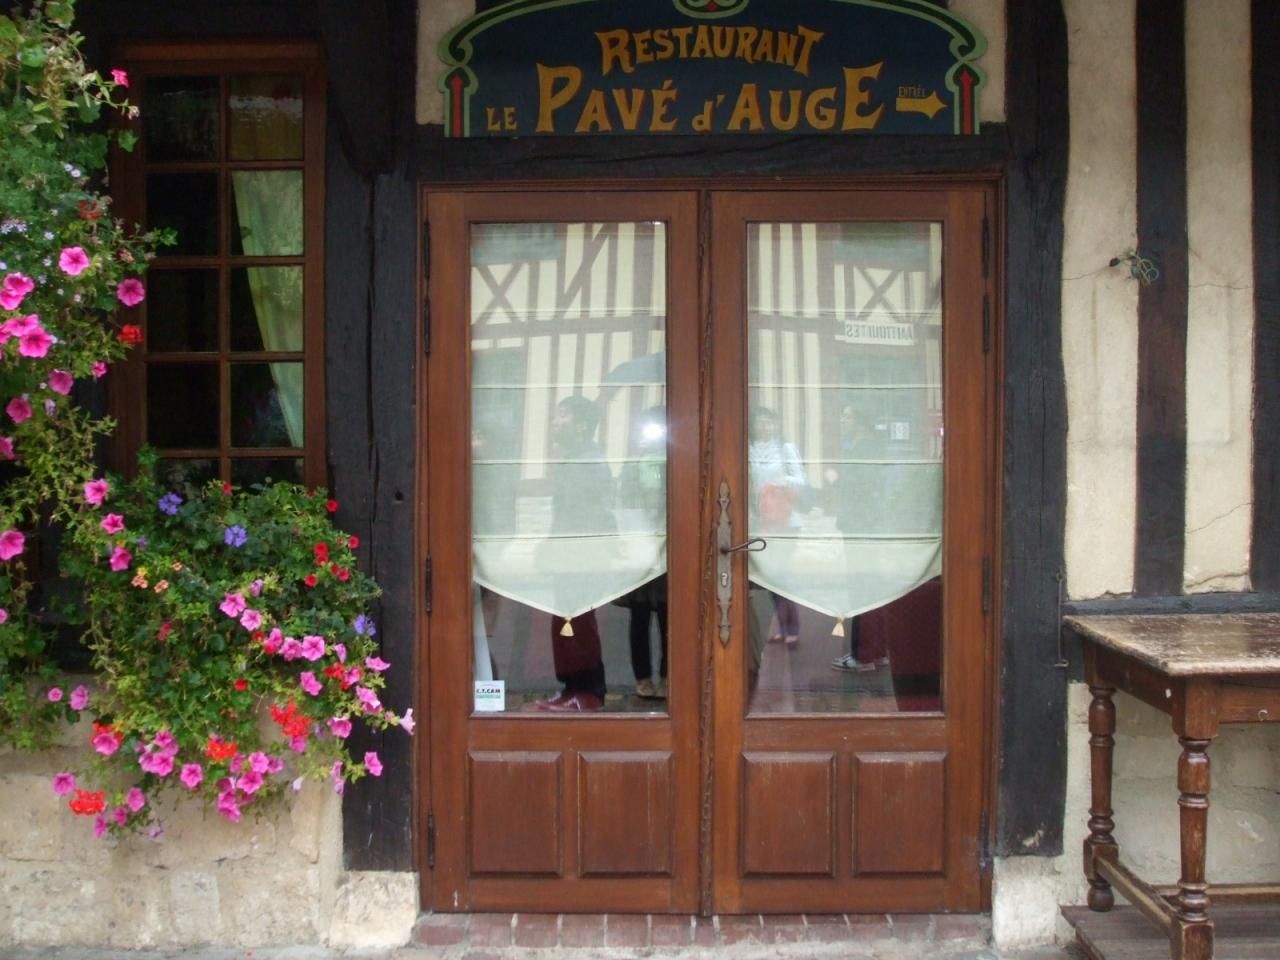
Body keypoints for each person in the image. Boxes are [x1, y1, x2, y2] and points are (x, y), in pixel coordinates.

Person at [533, 394, 612, 712]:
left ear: (581, 425)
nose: (555, 422)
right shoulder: (572, 458)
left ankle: (588, 691)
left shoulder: (590, 461)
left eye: (563, 415)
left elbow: (591, 514)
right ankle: (570, 688)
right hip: (568, 553)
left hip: (583, 555)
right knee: (565, 620)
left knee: (578, 621)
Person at [829, 402, 889, 672]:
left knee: (861, 586)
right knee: (869, 585)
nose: (843, 421)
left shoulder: (866, 449)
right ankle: (876, 652)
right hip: (861, 524)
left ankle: (863, 656)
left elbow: (861, 487)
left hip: (862, 526)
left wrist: (835, 478)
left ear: (860, 421)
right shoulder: (860, 446)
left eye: (848, 416)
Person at [615, 407, 668, 699]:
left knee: (670, 613)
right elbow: (624, 501)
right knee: (639, 616)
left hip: (670, 545)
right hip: (641, 544)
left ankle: (669, 675)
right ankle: (643, 677)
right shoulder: (633, 463)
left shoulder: (676, 460)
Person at [747, 405, 808, 648]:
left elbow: (801, 479)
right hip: (762, 521)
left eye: (769, 422)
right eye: (760, 422)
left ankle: (793, 629)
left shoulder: (785, 449)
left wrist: (783, 481)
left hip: (786, 521)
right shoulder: (749, 449)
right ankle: (784, 628)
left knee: (782, 575)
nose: (764, 426)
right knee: (772, 576)